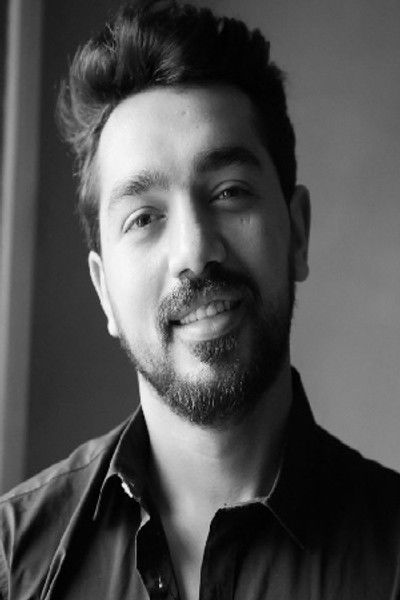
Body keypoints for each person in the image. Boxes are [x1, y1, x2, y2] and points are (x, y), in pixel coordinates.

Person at [1, 1, 399, 598]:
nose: (194, 250)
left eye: (229, 191)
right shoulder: (12, 563)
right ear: (104, 291)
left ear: (297, 233)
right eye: (143, 217)